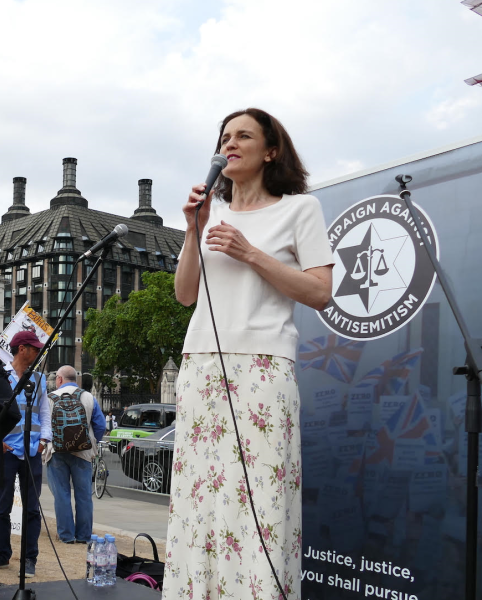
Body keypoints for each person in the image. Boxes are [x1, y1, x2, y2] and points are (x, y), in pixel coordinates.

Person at [165, 108, 333, 600]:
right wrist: (194, 231)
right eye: (224, 136)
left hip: (262, 370)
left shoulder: (300, 210)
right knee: (200, 500)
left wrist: (249, 252)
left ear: (271, 150)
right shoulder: (208, 212)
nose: (230, 143)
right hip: (200, 366)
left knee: (258, 496)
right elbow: (185, 295)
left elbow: (320, 293)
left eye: (244, 135)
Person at [0, 330, 50, 577]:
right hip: (5, 451)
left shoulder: (38, 378)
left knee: (32, 509)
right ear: (22, 349)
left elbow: (44, 410)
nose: (39, 352)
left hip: (31, 450)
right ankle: (2, 554)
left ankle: (29, 558)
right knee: (2, 507)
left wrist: (44, 439)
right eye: (35, 348)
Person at [44, 366, 105, 543]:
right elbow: (100, 425)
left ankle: (66, 535)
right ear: (76, 380)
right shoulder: (88, 397)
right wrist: (90, 443)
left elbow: (45, 426)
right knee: (84, 496)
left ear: (60, 379)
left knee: (61, 494)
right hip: (83, 453)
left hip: (57, 451)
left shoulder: (50, 398)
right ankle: (84, 536)